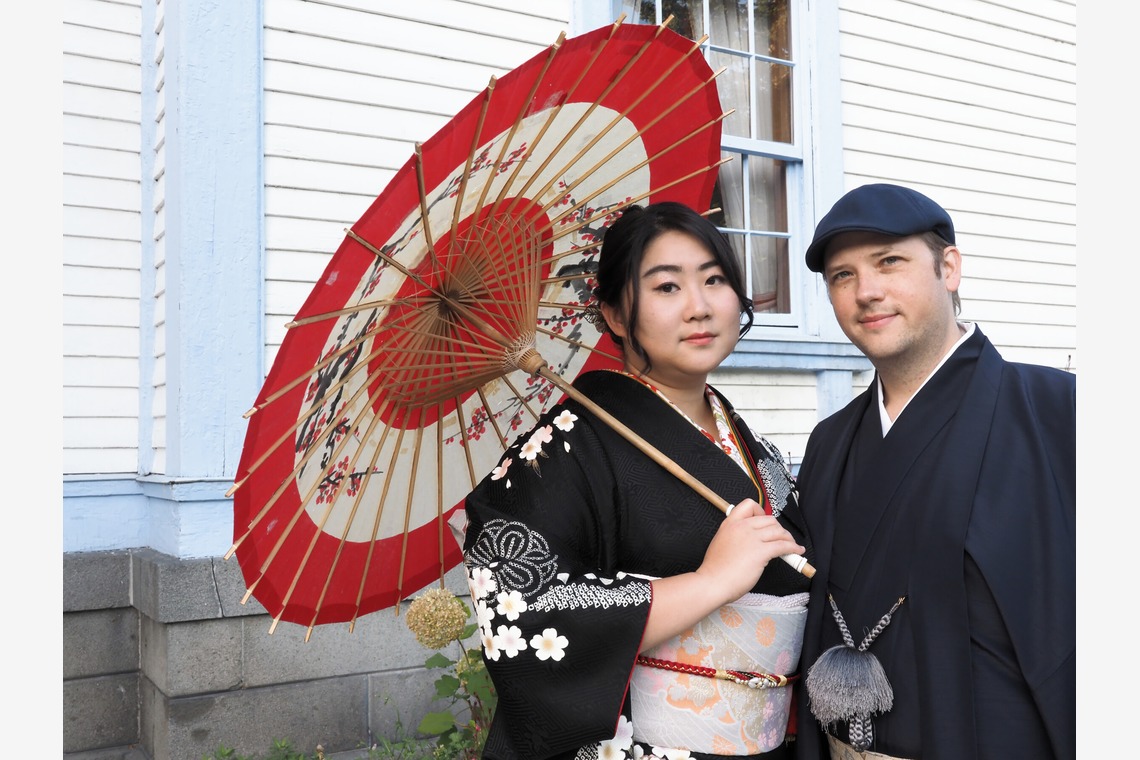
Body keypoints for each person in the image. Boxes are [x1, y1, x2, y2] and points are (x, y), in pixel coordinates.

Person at [460, 201, 815, 760]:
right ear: (617, 316)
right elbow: (519, 610)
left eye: (714, 280)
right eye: (667, 287)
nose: (699, 307)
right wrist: (710, 582)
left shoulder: (751, 445)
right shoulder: (565, 448)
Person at [792, 183, 1075, 760]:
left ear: (949, 267)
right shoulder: (829, 442)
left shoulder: (1057, 410)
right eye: (842, 276)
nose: (867, 291)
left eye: (889, 262)